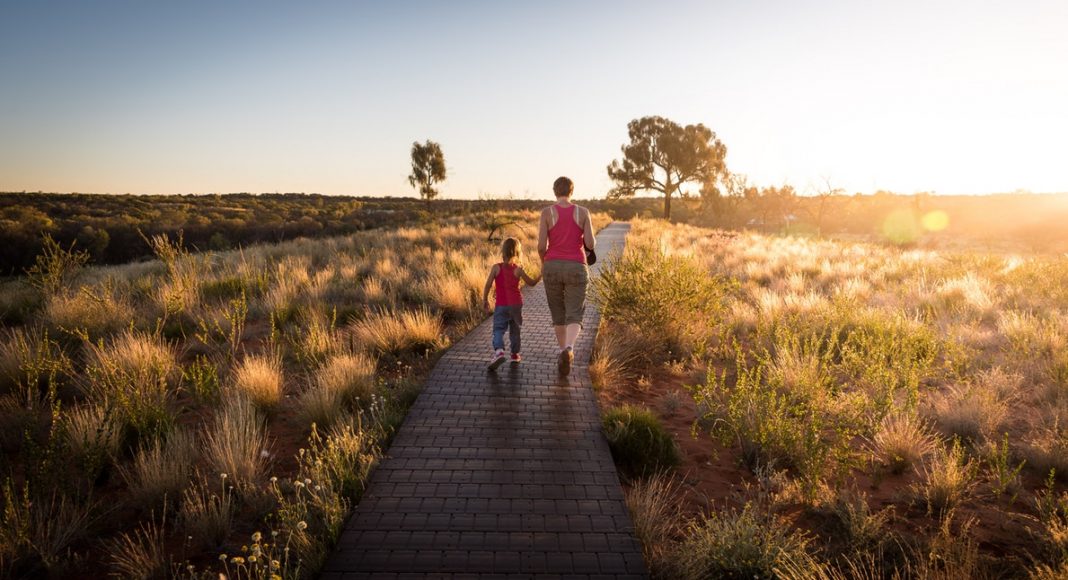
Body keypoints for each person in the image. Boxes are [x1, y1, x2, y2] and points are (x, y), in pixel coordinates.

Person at [538, 176, 595, 375]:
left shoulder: (546, 213)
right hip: (576, 266)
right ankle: (569, 349)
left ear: (555, 191)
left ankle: (562, 350)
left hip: (552, 265)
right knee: (575, 312)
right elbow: (590, 244)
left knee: (558, 312)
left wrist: (544, 263)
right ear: (572, 191)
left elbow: (540, 246)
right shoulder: (583, 212)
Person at [482, 237, 540, 370]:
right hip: (516, 305)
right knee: (515, 330)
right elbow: (531, 283)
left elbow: (488, 285)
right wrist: (540, 275)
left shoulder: (496, 268)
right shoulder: (518, 270)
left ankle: (499, 352)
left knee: (498, 329)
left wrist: (485, 299)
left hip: (502, 305)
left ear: (503, 251)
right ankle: (515, 354)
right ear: (517, 253)